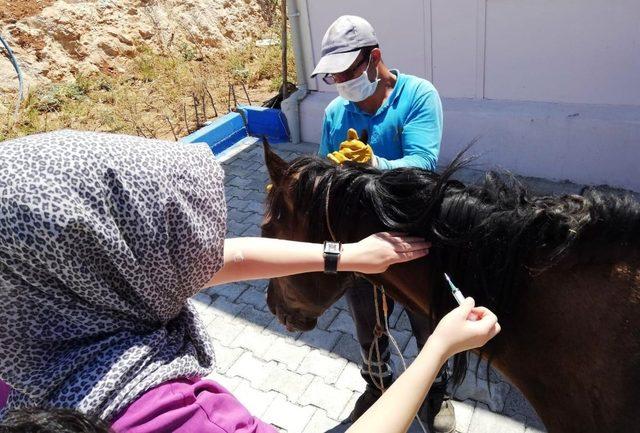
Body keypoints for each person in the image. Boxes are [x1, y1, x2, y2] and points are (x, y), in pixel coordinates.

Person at [0, 130, 428, 432]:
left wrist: (347, 255)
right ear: (115, 262)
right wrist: (439, 351)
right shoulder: (171, 416)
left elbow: (224, 257)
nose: (198, 251)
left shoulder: (25, 345)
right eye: (172, 238)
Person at [310, 15, 452, 432]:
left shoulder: (418, 96)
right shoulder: (337, 112)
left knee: (425, 318)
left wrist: (374, 163)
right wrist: (312, 179)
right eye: (333, 75)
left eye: (348, 72)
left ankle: (436, 390)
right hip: (359, 243)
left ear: (375, 59)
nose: (341, 83)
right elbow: (323, 166)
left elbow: (424, 164)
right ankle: (377, 385)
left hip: (413, 237)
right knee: (367, 323)